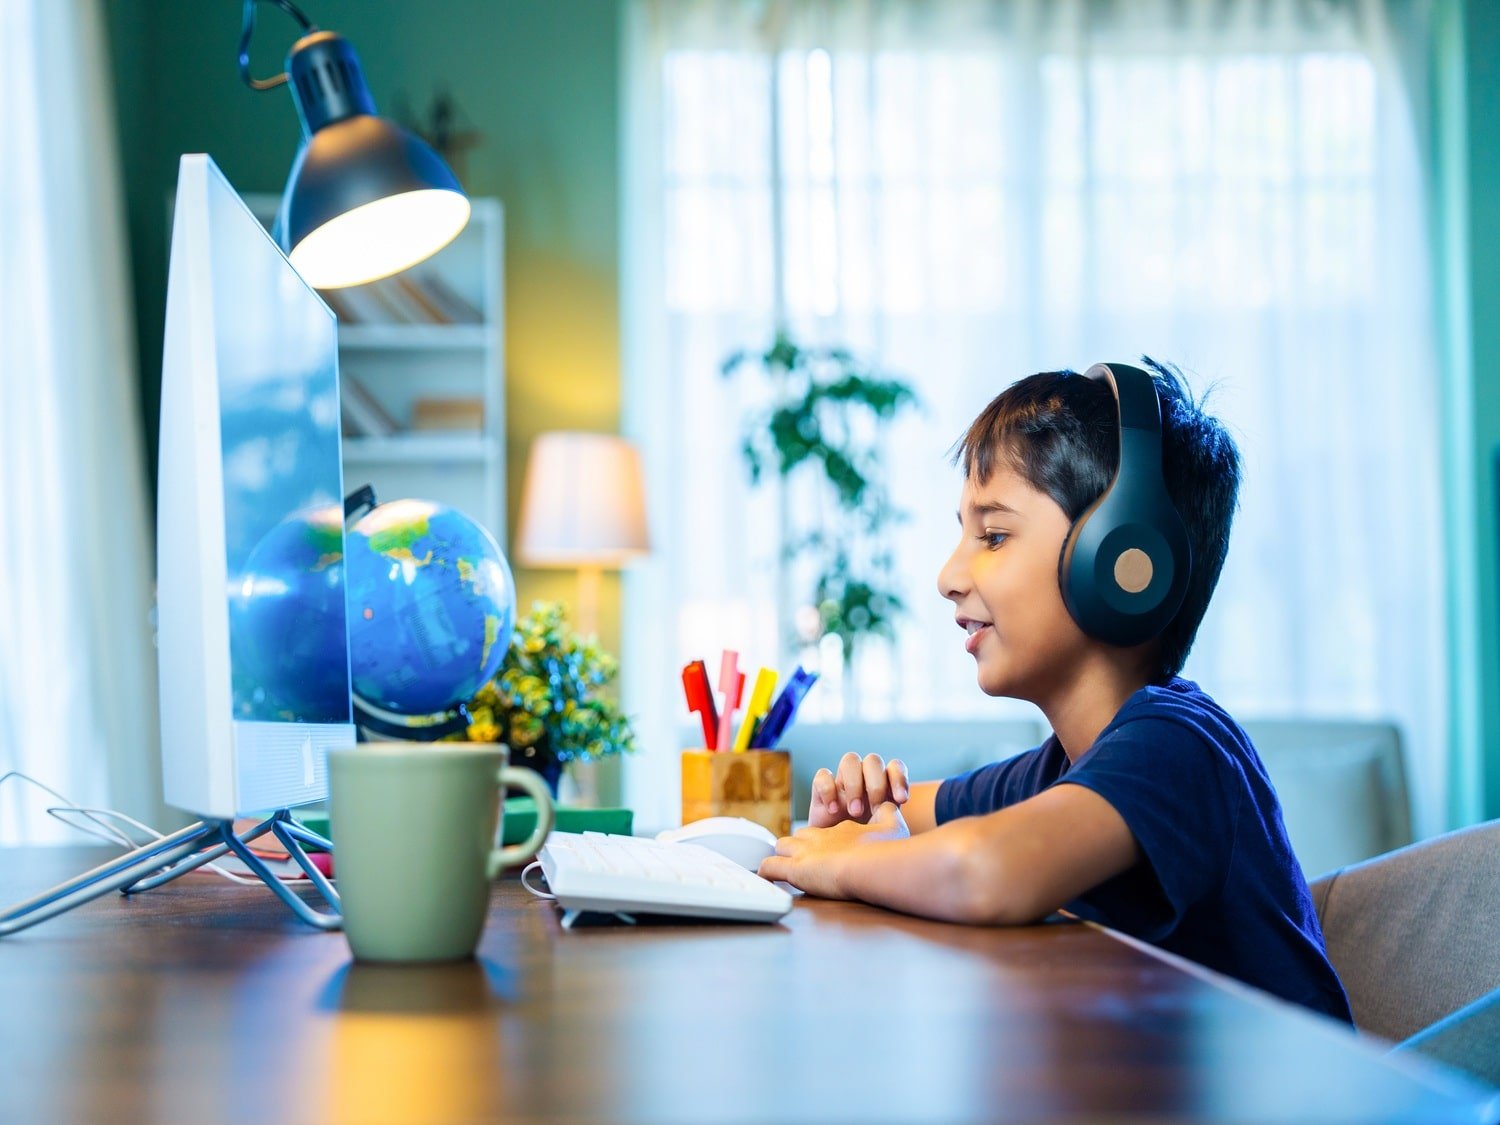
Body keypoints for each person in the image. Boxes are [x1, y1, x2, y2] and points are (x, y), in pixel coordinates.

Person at [758, 359, 1353, 1022]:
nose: (949, 576)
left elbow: (980, 869)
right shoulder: (1066, 767)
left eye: (994, 534)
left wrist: (848, 863)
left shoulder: (1178, 748)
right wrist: (858, 815)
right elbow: (910, 813)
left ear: (1123, 562)